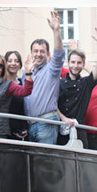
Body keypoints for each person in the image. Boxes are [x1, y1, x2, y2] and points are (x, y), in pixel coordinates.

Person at [57, 27, 97, 146]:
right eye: (73, 62)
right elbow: (52, 104)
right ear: (68, 63)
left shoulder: (86, 83)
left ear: (83, 64)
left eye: (79, 63)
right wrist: (64, 119)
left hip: (80, 130)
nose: (75, 65)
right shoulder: (59, 83)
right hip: (61, 128)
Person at [24, 11, 65, 144]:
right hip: (31, 125)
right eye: (36, 51)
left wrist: (56, 30)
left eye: (42, 51)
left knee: (45, 163)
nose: (39, 54)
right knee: (34, 163)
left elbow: (59, 53)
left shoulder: (52, 69)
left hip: (46, 123)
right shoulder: (27, 73)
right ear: (31, 53)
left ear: (47, 54)